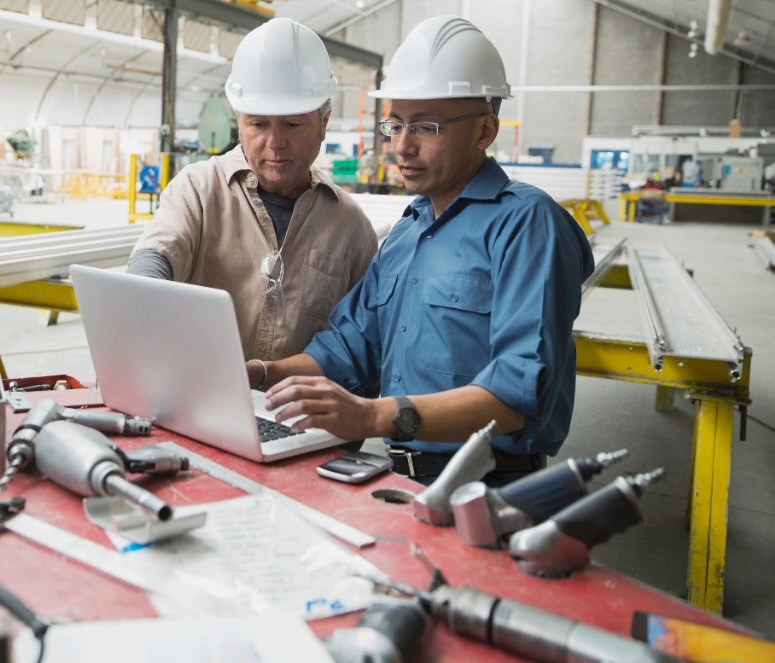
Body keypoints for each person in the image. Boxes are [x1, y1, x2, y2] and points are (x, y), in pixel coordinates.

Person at [249, 15, 594, 486]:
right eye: (395, 125)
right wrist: (256, 372)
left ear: (484, 130)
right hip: (398, 481)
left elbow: (518, 392)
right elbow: (348, 350)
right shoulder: (408, 232)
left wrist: (374, 418)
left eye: (426, 126)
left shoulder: (526, 224)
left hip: (489, 486)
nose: (402, 147)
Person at [127, 18, 378, 361]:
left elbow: (360, 346)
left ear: (324, 122)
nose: (274, 143)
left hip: (294, 413)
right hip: (198, 401)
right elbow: (158, 252)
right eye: (258, 124)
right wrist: (141, 294)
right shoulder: (199, 190)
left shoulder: (350, 227)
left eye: (292, 124)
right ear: (240, 121)